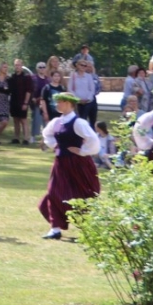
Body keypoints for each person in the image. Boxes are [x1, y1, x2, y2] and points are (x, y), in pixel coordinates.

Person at [39, 92, 102, 240]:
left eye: (60, 102)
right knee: (54, 192)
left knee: (83, 194)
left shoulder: (79, 123)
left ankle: (89, 228)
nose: (58, 104)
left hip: (78, 164)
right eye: (58, 102)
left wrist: (83, 151)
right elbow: (47, 135)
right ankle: (55, 228)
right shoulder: (56, 122)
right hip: (61, 163)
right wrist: (55, 145)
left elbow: (94, 140)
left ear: (69, 104)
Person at [7, 60, 37, 144]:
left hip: (22, 101)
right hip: (14, 101)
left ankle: (26, 138)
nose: (17, 67)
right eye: (16, 65)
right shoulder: (12, 77)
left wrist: (26, 103)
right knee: (16, 119)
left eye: (19, 65)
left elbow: (29, 91)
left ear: (22, 66)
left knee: (23, 120)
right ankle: (16, 137)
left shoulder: (26, 77)